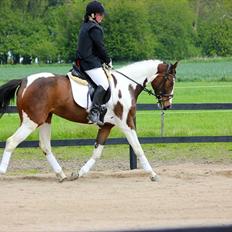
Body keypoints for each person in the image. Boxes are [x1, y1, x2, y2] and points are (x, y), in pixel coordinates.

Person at [76, 0, 112, 126]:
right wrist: (108, 60)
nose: (102, 17)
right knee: (104, 83)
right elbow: (100, 48)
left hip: (83, 62)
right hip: (89, 63)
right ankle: (94, 112)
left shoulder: (85, 26)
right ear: (92, 15)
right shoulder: (95, 28)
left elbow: (93, 48)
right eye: (99, 14)